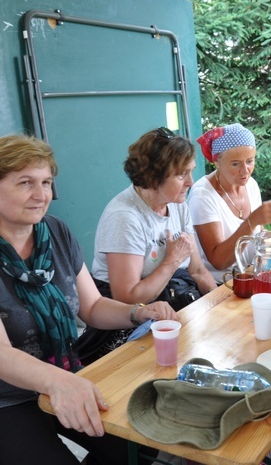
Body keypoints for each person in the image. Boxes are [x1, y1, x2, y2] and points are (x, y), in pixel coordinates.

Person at [0, 135, 170, 465]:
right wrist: (63, 382)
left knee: (138, 446)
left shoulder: (55, 232)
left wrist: (139, 313)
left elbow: (91, 307)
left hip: (57, 374)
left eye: (46, 182)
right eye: (25, 183)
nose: (41, 195)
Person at [89, 128, 216, 355]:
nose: (190, 182)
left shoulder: (177, 204)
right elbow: (127, 298)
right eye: (181, 175)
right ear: (153, 177)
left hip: (172, 302)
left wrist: (218, 304)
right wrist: (172, 260)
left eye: (191, 172)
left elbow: (197, 269)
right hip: (129, 321)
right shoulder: (125, 217)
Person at [187, 123, 271, 281]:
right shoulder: (202, 195)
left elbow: (256, 236)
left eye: (250, 161)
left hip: (252, 274)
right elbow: (219, 261)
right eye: (235, 163)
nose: (245, 171)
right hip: (222, 286)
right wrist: (252, 221)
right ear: (217, 161)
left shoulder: (250, 184)